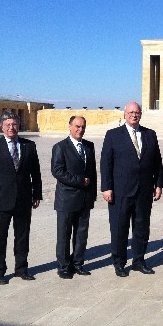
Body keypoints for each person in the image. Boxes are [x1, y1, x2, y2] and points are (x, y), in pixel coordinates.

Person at [0, 111, 42, 285]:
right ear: (2, 126)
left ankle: (21, 268)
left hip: (23, 199)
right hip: (0, 200)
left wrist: (37, 193)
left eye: (14, 124)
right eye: (8, 125)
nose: (11, 128)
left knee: (22, 236)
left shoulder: (29, 146)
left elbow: (35, 172)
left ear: (18, 126)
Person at [100, 102, 163, 277]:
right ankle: (119, 262)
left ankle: (139, 260)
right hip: (120, 191)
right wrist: (106, 187)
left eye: (137, 112)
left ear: (141, 114)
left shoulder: (150, 134)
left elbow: (157, 162)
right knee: (119, 228)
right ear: (125, 114)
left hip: (143, 190)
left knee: (142, 227)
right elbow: (106, 163)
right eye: (131, 112)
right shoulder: (113, 135)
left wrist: (158, 184)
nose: (134, 115)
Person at [51, 116, 97, 279]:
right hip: (66, 199)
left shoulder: (89, 146)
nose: (80, 130)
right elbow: (57, 171)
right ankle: (63, 266)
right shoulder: (60, 147)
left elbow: (92, 172)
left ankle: (78, 263)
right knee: (64, 234)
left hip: (84, 199)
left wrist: (92, 195)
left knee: (81, 234)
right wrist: (79, 181)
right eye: (77, 126)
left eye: (83, 127)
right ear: (70, 127)